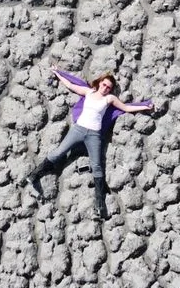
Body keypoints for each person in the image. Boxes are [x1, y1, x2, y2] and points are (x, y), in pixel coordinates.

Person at [27, 68, 155, 220]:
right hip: (78, 130)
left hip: (94, 135)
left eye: (109, 87)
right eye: (104, 84)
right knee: (59, 152)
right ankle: (35, 174)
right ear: (100, 82)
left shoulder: (110, 99)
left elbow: (126, 107)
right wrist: (58, 73)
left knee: (97, 165)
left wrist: (145, 106)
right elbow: (70, 85)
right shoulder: (88, 92)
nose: (106, 88)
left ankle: (100, 205)